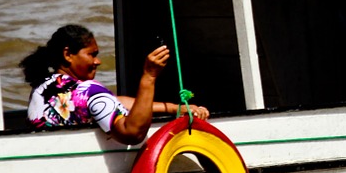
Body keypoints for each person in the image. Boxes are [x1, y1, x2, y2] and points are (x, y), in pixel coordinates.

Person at [20, 24, 208, 145]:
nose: (98, 61)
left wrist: (174, 108)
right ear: (68, 54)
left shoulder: (43, 86)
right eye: (92, 54)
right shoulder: (89, 92)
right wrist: (149, 77)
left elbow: (114, 101)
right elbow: (132, 134)